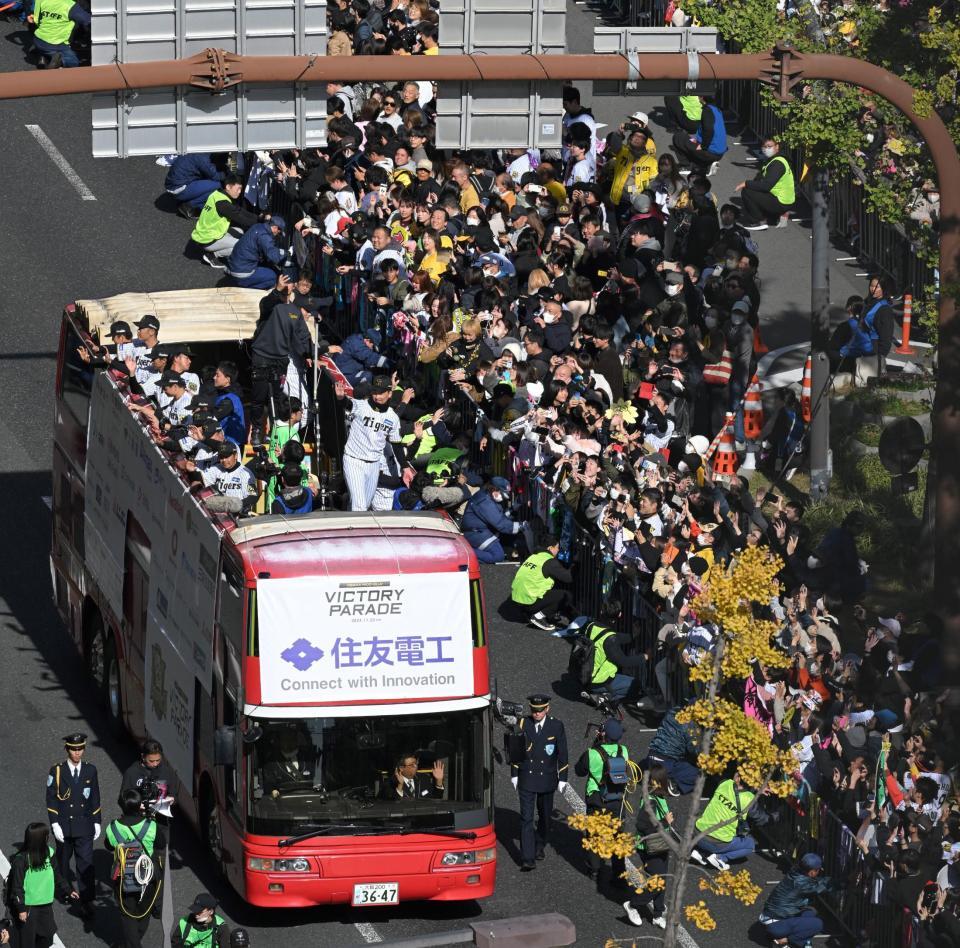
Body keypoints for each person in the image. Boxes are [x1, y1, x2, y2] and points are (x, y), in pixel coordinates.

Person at [249, 279, 313, 444]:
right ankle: (256, 429)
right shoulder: (271, 304)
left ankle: (275, 430)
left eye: (290, 283)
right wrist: (277, 290)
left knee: (277, 397)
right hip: (262, 355)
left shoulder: (295, 311)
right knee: (259, 396)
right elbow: (266, 304)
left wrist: (308, 354)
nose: (287, 285)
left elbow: (303, 335)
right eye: (285, 282)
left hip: (281, 359)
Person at [45, 732, 100, 920]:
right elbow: (51, 799)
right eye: (73, 749)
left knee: (86, 863)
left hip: (84, 825)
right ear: (67, 749)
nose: (77, 753)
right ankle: (65, 890)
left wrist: (97, 821)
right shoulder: (57, 771)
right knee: (63, 860)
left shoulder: (90, 770)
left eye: (80, 749)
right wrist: (55, 825)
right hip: (65, 825)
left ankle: (86, 900)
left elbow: (94, 797)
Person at [511, 694, 568, 871]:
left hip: (547, 777)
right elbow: (515, 750)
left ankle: (539, 844)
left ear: (547, 709)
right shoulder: (522, 724)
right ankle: (527, 858)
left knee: (544, 816)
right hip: (527, 776)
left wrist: (563, 778)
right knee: (526, 818)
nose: (536, 713)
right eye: (534, 710)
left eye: (540, 710)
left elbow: (562, 753)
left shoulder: (556, 726)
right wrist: (514, 773)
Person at [575, 717, 631, 884]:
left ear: (603, 734)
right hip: (618, 801)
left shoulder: (592, 754)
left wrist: (596, 743)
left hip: (597, 800)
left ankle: (595, 869)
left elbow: (580, 770)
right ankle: (619, 876)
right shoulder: (624, 750)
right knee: (617, 837)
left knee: (594, 835)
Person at [336, 375, 403, 511]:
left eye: (380, 393)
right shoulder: (362, 405)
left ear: (389, 393)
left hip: (374, 464)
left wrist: (405, 466)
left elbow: (396, 443)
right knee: (359, 506)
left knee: (364, 505)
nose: (376, 396)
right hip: (354, 460)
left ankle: (348, 522)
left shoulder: (393, 417)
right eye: (374, 392)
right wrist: (341, 398)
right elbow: (348, 404)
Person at [7, 823, 78, 948]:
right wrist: (21, 909)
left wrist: (68, 889)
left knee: (47, 938)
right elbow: (16, 887)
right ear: (40, 838)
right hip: (29, 907)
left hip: (45, 904)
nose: (48, 837)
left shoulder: (49, 853)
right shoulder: (21, 860)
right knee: (27, 942)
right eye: (46, 835)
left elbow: (57, 875)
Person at [104, 789, 160, 948]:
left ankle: (132, 942)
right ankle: (134, 943)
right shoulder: (151, 826)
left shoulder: (112, 827)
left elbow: (108, 845)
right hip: (146, 877)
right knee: (144, 911)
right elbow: (161, 844)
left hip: (123, 877)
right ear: (139, 806)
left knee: (127, 915)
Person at [579, 600, 655, 710]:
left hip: (583, 673)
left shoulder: (591, 625)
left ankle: (597, 692)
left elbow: (615, 637)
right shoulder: (610, 639)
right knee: (635, 685)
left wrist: (633, 635)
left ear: (601, 611)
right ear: (619, 615)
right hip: (598, 680)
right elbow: (624, 661)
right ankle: (605, 697)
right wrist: (645, 657)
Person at [623, 763, 673, 929]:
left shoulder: (656, 796)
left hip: (660, 844)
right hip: (650, 847)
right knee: (658, 882)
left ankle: (658, 914)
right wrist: (665, 822)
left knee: (662, 880)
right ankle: (633, 904)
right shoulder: (650, 800)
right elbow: (642, 825)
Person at [760, 852, 840, 947]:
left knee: (810, 913)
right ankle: (785, 941)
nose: (819, 873)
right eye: (818, 870)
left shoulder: (796, 872)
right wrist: (846, 881)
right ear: (812, 872)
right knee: (818, 924)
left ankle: (797, 940)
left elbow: (818, 882)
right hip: (775, 923)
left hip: (770, 917)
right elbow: (823, 886)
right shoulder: (801, 884)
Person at [191, 174, 260, 268]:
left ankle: (217, 250)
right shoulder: (223, 204)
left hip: (204, 233)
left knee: (240, 231)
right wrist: (262, 224)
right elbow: (241, 219)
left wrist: (259, 219)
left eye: (241, 189)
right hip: (208, 239)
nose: (240, 192)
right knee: (244, 245)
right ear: (228, 187)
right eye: (238, 189)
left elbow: (239, 210)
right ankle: (212, 256)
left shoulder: (217, 194)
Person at [692, 771, 756, 870]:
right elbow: (752, 817)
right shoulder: (749, 798)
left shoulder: (725, 783)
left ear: (738, 779)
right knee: (750, 844)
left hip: (697, 833)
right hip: (717, 844)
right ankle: (720, 858)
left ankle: (700, 852)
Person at [120, 740, 176, 849]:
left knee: (161, 855)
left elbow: (173, 793)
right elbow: (122, 798)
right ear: (143, 757)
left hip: (160, 823)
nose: (155, 764)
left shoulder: (166, 771)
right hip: (138, 824)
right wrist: (135, 806)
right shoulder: (132, 773)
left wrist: (172, 798)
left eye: (158, 760)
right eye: (151, 761)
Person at [460, 477, 528, 564]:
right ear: (494, 489)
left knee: (511, 540)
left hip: (483, 530)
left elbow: (499, 516)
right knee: (497, 556)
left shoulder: (489, 497)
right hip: (475, 534)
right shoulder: (484, 502)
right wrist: (522, 526)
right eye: (502, 495)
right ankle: (465, 552)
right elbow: (501, 524)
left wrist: (512, 510)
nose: (503, 498)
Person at [734, 138, 796, 231]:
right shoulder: (773, 160)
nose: (766, 149)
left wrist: (746, 183)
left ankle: (759, 221)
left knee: (747, 191)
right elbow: (759, 180)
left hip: (781, 201)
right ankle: (774, 215)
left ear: (777, 147)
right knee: (753, 189)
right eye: (764, 146)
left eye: (769, 146)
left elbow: (766, 186)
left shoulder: (777, 163)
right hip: (782, 199)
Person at [510, 542, 573, 631]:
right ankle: (538, 617)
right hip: (530, 602)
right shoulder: (550, 561)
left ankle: (529, 613)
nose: (560, 550)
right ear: (550, 548)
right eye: (558, 548)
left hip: (518, 601)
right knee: (566, 595)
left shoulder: (534, 557)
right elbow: (568, 578)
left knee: (550, 586)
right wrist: (575, 563)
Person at [645, 708, 701, 795]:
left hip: (651, 755)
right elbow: (694, 750)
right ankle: (672, 783)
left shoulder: (671, 712)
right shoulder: (691, 725)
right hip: (667, 762)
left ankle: (657, 778)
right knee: (699, 773)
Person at [672, 96, 727, 177]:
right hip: (719, 151)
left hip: (711, 152)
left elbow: (709, 129)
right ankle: (705, 164)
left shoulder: (707, 111)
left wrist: (703, 146)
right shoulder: (716, 109)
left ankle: (686, 166)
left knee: (678, 137)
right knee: (690, 140)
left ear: (701, 98)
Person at [226, 217, 287, 289]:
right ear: (275, 228)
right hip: (241, 272)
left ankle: (239, 280)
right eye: (279, 232)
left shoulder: (258, 226)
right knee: (273, 277)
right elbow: (275, 257)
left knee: (265, 264)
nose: (278, 235)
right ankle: (246, 288)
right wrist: (286, 254)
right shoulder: (265, 237)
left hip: (233, 265)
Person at [28, 0, 90, 68]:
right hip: (56, 43)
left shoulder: (45, 1)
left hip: (38, 38)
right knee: (74, 62)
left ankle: (42, 56)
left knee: (45, 47)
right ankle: (59, 62)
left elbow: (36, 19)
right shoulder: (70, 5)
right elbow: (87, 20)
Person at [863, 273, 897, 376]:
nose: (873, 289)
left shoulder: (884, 309)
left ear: (884, 288)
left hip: (875, 348)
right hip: (864, 344)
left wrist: (880, 357)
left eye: (877, 287)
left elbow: (886, 336)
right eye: (871, 286)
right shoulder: (868, 301)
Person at [379, 753, 445, 800]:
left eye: (416, 764)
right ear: (401, 768)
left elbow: (436, 799)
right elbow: (391, 804)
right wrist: (400, 785)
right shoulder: (390, 782)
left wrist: (439, 781)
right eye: (412, 765)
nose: (416, 766)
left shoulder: (424, 778)